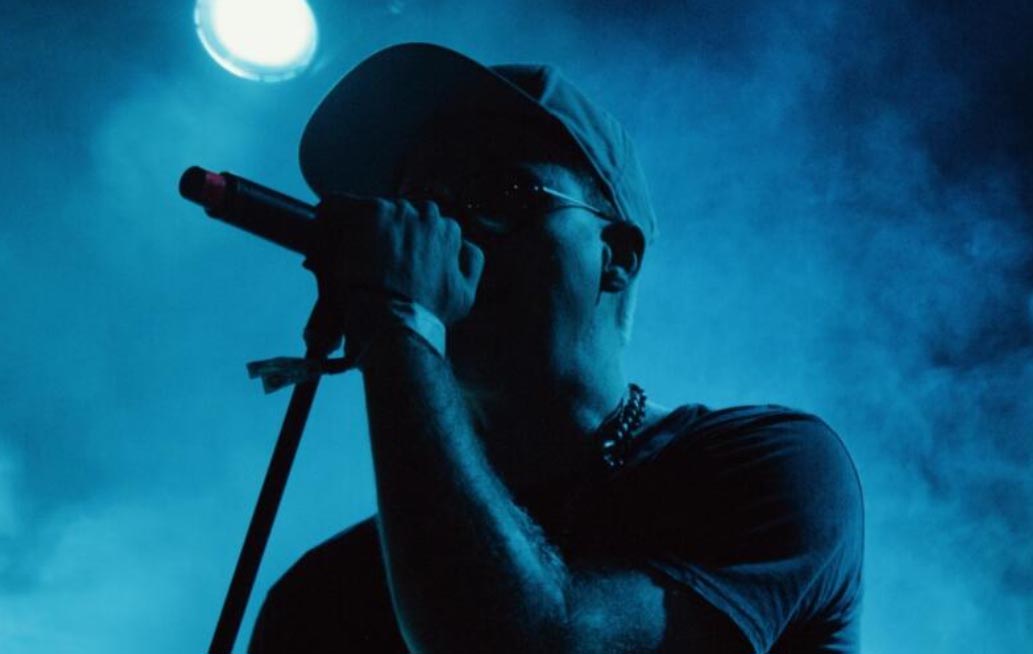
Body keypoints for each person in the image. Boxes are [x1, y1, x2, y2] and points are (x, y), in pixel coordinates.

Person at [248, 43, 863, 654]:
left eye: (500, 195)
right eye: (418, 207)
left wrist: (401, 325)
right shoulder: (325, 596)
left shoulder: (771, 469)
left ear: (615, 258)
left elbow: (537, 645)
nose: (443, 233)